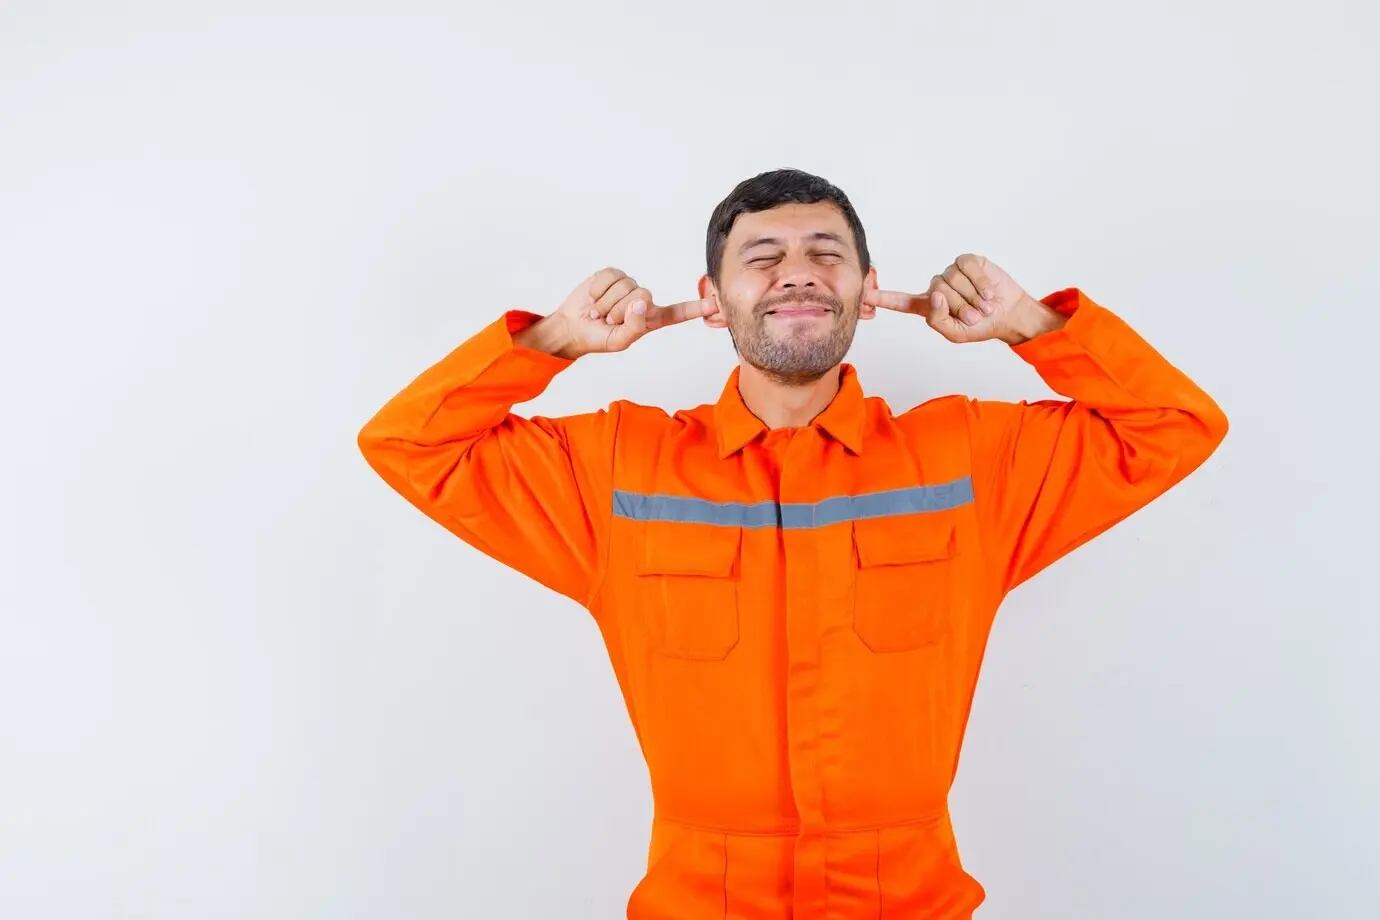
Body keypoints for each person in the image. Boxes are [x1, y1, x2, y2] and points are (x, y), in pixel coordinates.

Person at [357, 168, 1228, 919]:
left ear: (869, 289)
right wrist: (547, 344)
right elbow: (407, 444)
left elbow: (1176, 428)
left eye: (826, 255)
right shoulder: (616, 473)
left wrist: (1032, 325)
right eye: (763, 258)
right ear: (711, 300)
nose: (797, 275)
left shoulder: (970, 464)